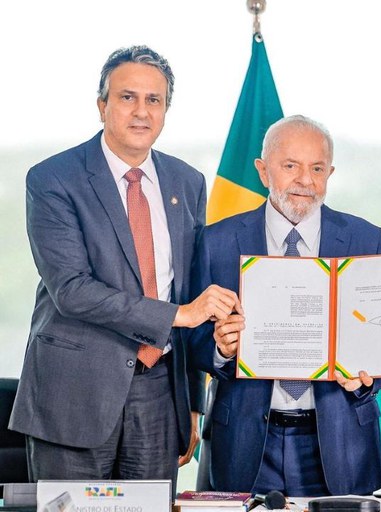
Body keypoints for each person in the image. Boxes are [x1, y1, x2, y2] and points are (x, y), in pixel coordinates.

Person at [10, 46, 240, 490]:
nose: (141, 111)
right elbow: (72, 290)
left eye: (154, 100)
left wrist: (192, 400)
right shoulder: (53, 178)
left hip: (159, 396)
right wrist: (178, 315)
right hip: (75, 393)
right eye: (127, 97)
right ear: (102, 106)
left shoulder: (187, 182)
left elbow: (190, 289)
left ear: (166, 110)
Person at [188, 115, 381, 497]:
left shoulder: (365, 239)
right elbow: (191, 342)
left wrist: (368, 378)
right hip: (246, 441)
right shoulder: (217, 242)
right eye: (291, 166)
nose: (305, 180)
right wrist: (220, 349)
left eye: (317, 168)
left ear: (330, 173)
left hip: (341, 440)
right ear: (263, 171)